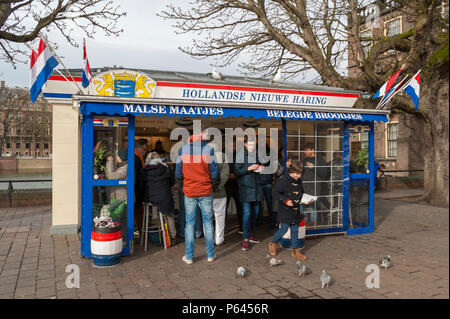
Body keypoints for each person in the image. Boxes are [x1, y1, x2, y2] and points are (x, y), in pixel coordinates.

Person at [175, 128, 220, 264]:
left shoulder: (182, 150)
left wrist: (184, 182)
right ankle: (210, 255)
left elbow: (178, 173)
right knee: (208, 222)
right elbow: (214, 172)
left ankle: (189, 257)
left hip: (189, 191)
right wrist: (213, 186)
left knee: (190, 224)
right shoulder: (208, 149)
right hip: (206, 190)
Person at [269, 160, 307, 260]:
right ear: (291, 170)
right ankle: (273, 243)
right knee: (283, 229)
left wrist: (305, 200)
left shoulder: (299, 181)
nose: (297, 176)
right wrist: (285, 200)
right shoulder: (283, 181)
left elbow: (301, 192)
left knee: (295, 230)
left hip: (295, 210)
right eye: (296, 173)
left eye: (300, 174)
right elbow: (275, 192)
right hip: (285, 210)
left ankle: (295, 251)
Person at [234, 135, 263, 251]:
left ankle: (250, 234)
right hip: (246, 189)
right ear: (245, 144)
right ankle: (245, 239)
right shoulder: (240, 155)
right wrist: (248, 169)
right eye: (250, 144)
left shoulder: (256, 154)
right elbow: (236, 171)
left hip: (256, 188)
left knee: (255, 213)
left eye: (254, 144)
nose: (252, 146)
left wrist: (260, 168)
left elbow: (259, 166)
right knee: (247, 214)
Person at [302, 143, 329, 226]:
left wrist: (314, 167)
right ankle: (305, 226)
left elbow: (324, 173)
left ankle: (314, 227)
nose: (305, 152)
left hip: (314, 187)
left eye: (307, 150)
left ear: (312, 150)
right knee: (304, 208)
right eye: (304, 151)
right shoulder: (304, 160)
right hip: (304, 187)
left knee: (313, 208)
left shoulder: (320, 160)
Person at [210, 141, 230, 246]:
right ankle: (219, 239)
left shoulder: (202, 157)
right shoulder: (223, 156)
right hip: (220, 193)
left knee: (207, 218)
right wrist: (218, 186)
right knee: (220, 217)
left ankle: (209, 239)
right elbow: (226, 174)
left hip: (206, 193)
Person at [225, 139, 243, 234]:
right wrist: (227, 175)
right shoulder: (223, 153)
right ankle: (223, 228)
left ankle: (241, 228)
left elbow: (242, 167)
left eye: (234, 145)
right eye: (231, 145)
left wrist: (236, 174)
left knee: (240, 207)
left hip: (237, 184)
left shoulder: (239, 154)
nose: (233, 147)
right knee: (224, 208)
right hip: (226, 184)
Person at [256, 145, 277, 229]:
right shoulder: (258, 152)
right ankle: (264, 221)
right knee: (262, 203)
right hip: (262, 181)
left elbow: (272, 167)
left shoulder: (268, 153)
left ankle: (268, 221)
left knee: (268, 203)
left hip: (265, 181)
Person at [134, 139, 148, 236]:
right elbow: (139, 178)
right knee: (138, 212)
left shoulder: (136, 157)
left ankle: (138, 229)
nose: (145, 152)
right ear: (138, 148)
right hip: (137, 191)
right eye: (144, 149)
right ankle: (140, 231)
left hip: (135, 190)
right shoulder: (137, 159)